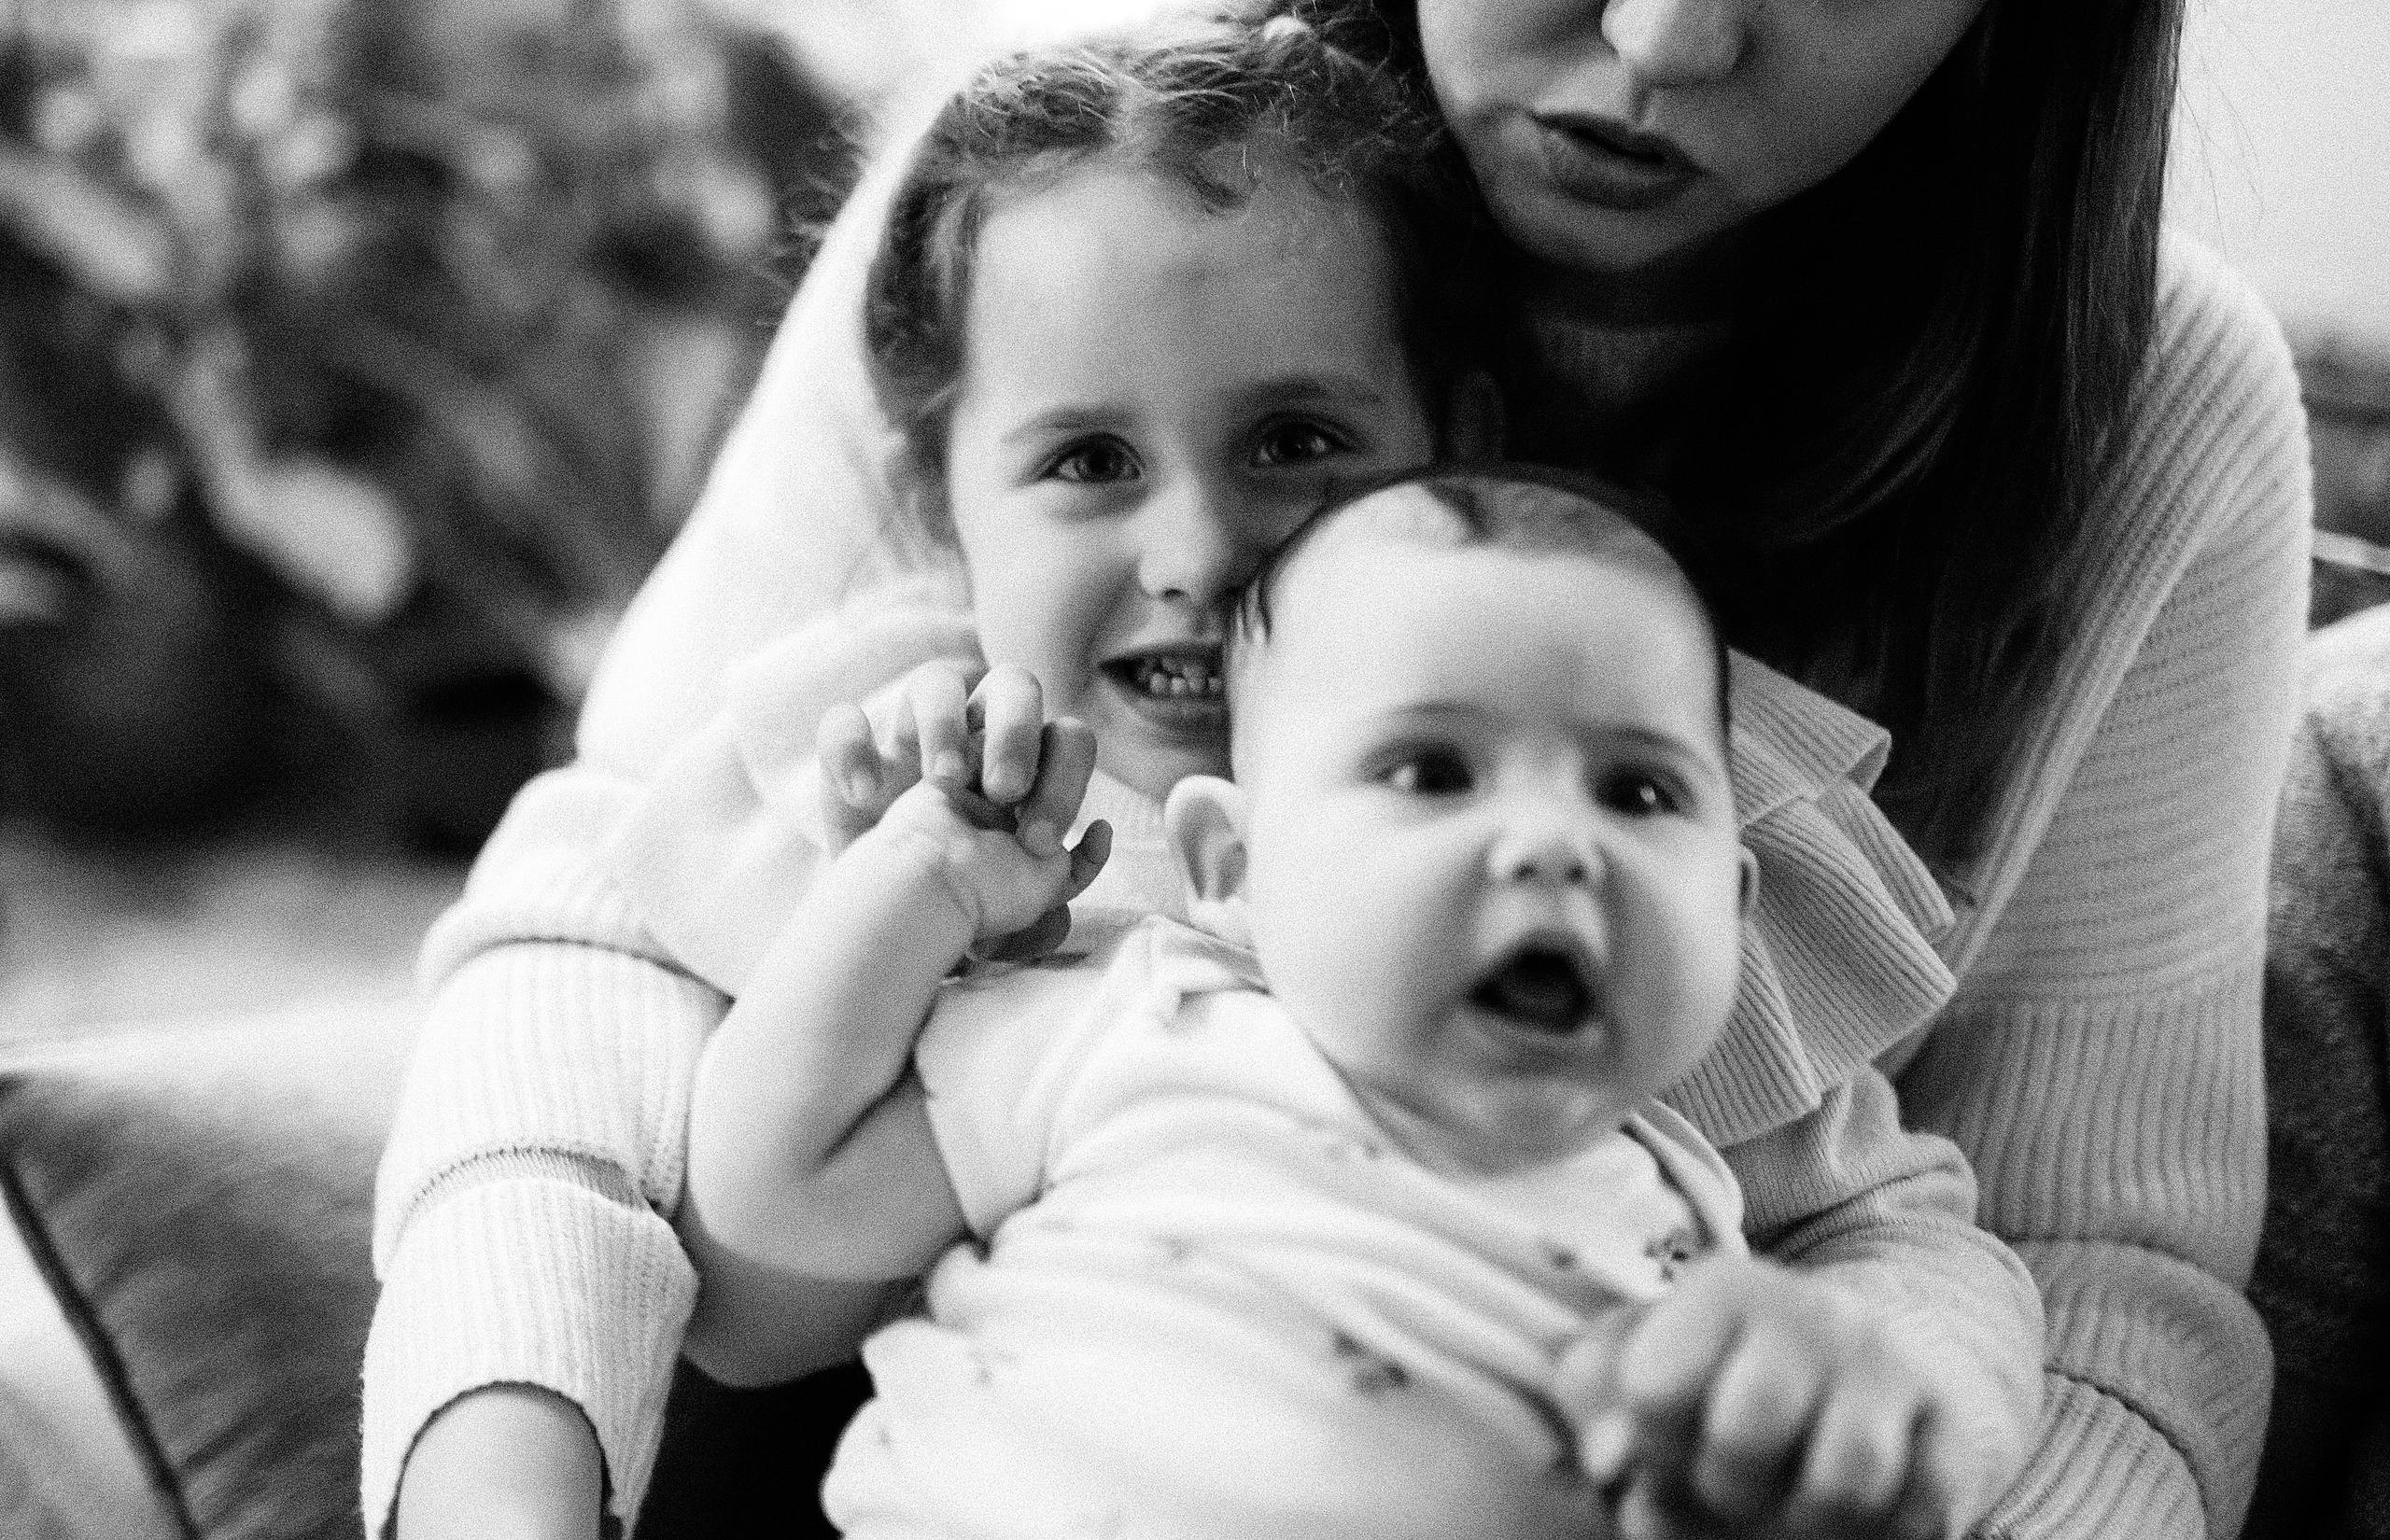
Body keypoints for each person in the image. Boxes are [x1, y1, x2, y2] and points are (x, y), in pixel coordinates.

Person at [366, 0, 2312, 1533]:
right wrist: (497, 1479)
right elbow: (647, 1003)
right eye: (1088, 466)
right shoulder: (1074, 167)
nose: (1663, 37)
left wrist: (1867, 1430)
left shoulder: (1743, 1043)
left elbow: (2048, 1266)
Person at [678, 469, 2037, 1539]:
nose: (1557, 844)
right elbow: (772, 1192)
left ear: (1732, 910)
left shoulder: (1699, 1231)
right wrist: (914, 881)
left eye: (1637, 791)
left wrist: (1796, 1417)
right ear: (1232, 867)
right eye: (1435, 770)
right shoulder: (1133, 1018)